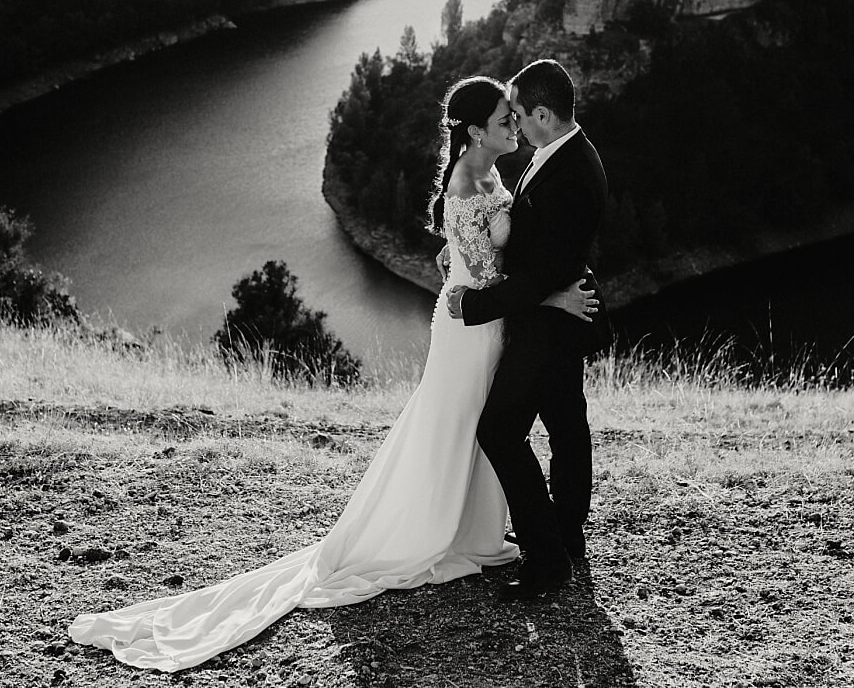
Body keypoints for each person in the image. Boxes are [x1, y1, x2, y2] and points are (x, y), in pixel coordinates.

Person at [67, 75, 597, 671]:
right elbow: (485, 267)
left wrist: (461, 253)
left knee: (488, 424)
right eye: (504, 116)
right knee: (455, 421)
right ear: (476, 131)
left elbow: (490, 250)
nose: (513, 122)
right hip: (471, 328)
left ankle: (483, 531)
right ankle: (431, 530)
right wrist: (544, 296)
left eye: (516, 114)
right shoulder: (473, 179)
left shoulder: (499, 172)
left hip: (494, 323)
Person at [446, 58, 609, 602]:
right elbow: (534, 249)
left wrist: (474, 306)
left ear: (542, 113)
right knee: (566, 425)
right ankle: (564, 535)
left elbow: (542, 270)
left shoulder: (574, 173)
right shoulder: (553, 153)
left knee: (499, 431)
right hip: (553, 313)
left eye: (518, 113)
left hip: (548, 325)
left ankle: (546, 558)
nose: (513, 122)